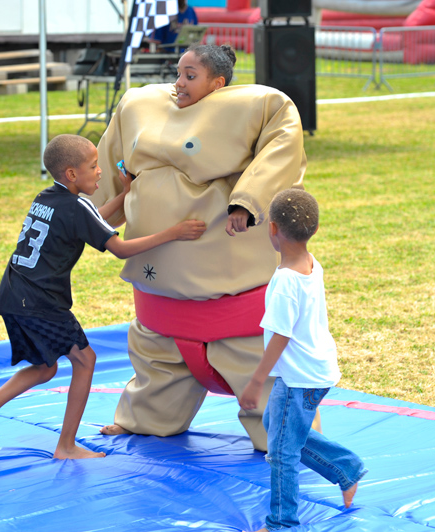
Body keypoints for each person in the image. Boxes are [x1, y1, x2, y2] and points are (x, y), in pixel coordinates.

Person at [92, 43, 313, 452]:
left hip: (231, 287)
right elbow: (106, 160)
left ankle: (282, 432)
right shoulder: (138, 104)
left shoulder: (261, 106)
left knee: (260, 374)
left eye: (190, 76)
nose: (179, 83)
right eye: (178, 73)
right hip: (158, 288)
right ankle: (147, 416)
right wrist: (87, 214)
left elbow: (281, 154)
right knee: (159, 365)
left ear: (218, 82)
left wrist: (247, 201)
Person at [0, 134, 206, 460]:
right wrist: (174, 233)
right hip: (39, 300)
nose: (99, 171)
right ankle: (66, 446)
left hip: (15, 293)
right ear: (72, 174)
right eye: (93, 166)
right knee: (85, 360)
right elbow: (120, 248)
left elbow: (93, 220)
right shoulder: (77, 206)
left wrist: (125, 194)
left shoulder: (47, 197)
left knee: (45, 368)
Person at [239, 189, 367, 532]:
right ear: (315, 229)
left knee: (282, 452)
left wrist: (256, 381)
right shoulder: (311, 263)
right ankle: (346, 468)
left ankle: (282, 523)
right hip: (316, 370)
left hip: (299, 380)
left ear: (273, 228)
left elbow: (280, 336)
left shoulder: (285, 281)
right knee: (278, 427)